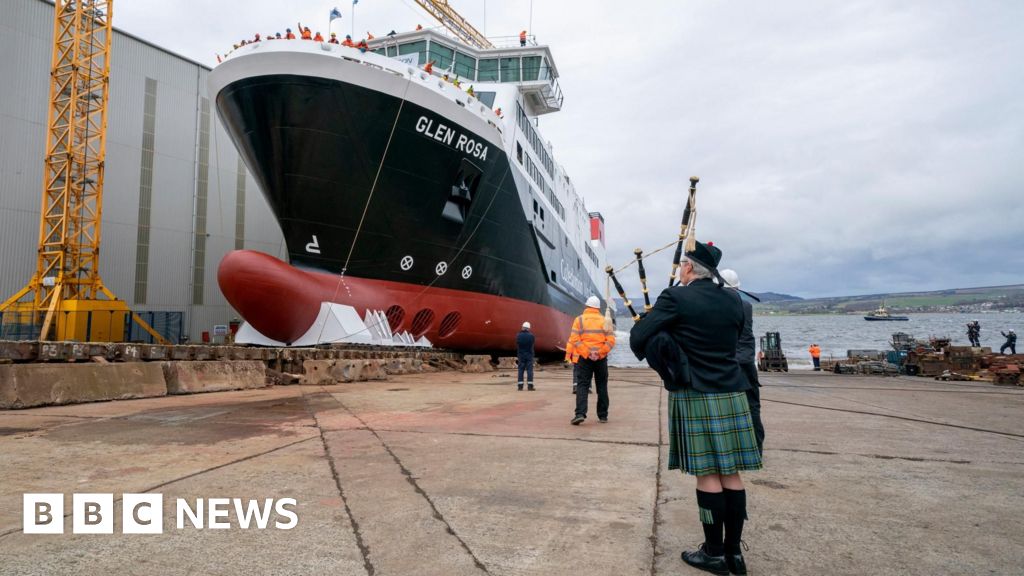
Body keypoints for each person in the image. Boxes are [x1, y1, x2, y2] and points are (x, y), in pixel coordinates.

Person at [629, 241, 761, 576]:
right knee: (731, 473)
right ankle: (735, 554)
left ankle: (713, 554)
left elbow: (639, 337)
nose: (679, 270)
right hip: (732, 391)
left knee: (708, 476)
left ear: (689, 268)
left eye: (681, 265)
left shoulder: (675, 297)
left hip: (695, 391)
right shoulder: (734, 300)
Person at [721, 268, 764, 455]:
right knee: (753, 405)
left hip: (729, 361)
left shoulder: (719, 305)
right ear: (738, 287)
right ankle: (756, 446)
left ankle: (730, 447)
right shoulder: (747, 305)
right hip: (746, 361)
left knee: (725, 407)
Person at [567, 295, 616, 425]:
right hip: (601, 359)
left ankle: (580, 414)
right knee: (602, 386)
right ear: (598, 308)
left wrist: (587, 353)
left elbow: (574, 340)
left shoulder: (579, 320)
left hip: (585, 358)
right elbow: (611, 341)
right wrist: (599, 353)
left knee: (582, 385)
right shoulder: (605, 320)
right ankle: (603, 416)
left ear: (587, 306)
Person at [516, 322, 535, 390]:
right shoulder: (531, 336)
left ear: (523, 327)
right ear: (528, 328)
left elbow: (517, 343)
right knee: (530, 370)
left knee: (520, 370)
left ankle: (520, 386)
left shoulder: (518, 335)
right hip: (529, 355)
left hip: (521, 355)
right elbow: (532, 343)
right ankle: (530, 386)